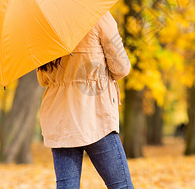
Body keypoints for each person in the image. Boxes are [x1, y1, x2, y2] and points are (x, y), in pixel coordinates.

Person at [36, 11, 134, 189]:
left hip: (59, 118)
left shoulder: (46, 26)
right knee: (121, 186)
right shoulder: (98, 15)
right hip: (95, 114)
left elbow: (43, 80)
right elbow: (121, 68)